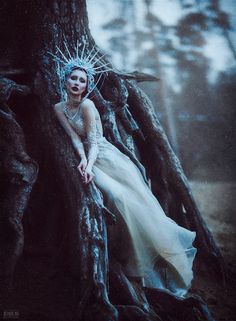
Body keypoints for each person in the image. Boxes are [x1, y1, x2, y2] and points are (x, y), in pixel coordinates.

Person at [51, 42, 196, 297]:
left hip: (107, 157)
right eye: (72, 78)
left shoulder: (88, 106)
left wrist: (89, 161)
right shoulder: (58, 108)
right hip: (89, 157)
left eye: (81, 81)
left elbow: (94, 140)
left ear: (86, 86)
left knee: (125, 200)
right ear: (65, 80)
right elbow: (75, 139)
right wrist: (82, 160)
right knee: (114, 200)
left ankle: (156, 263)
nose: (76, 83)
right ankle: (126, 255)